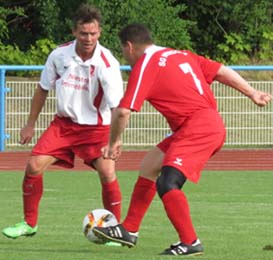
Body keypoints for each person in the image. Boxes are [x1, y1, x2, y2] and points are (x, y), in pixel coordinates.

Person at [93, 23, 272, 256]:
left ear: (128, 47)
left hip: (198, 128)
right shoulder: (181, 55)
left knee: (168, 183)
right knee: (149, 165)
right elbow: (221, 71)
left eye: (123, 52)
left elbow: (122, 111)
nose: (126, 58)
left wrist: (113, 142)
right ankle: (129, 229)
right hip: (199, 125)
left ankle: (190, 241)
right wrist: (252, 92)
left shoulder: (146, 63)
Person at [2, 4, 124, 240]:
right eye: (83, 33)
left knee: (107, 171)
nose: (88, 38)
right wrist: (30, 124)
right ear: (74, 31)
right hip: (64, 126)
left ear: (99, 32)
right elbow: (42, 89)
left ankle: (113, 229)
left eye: (93, 33)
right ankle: (29, 223)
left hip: (97, 129)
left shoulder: (108, 64)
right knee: (33, 166)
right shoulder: (59, 55)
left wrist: (115, 140)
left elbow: (117, 108)